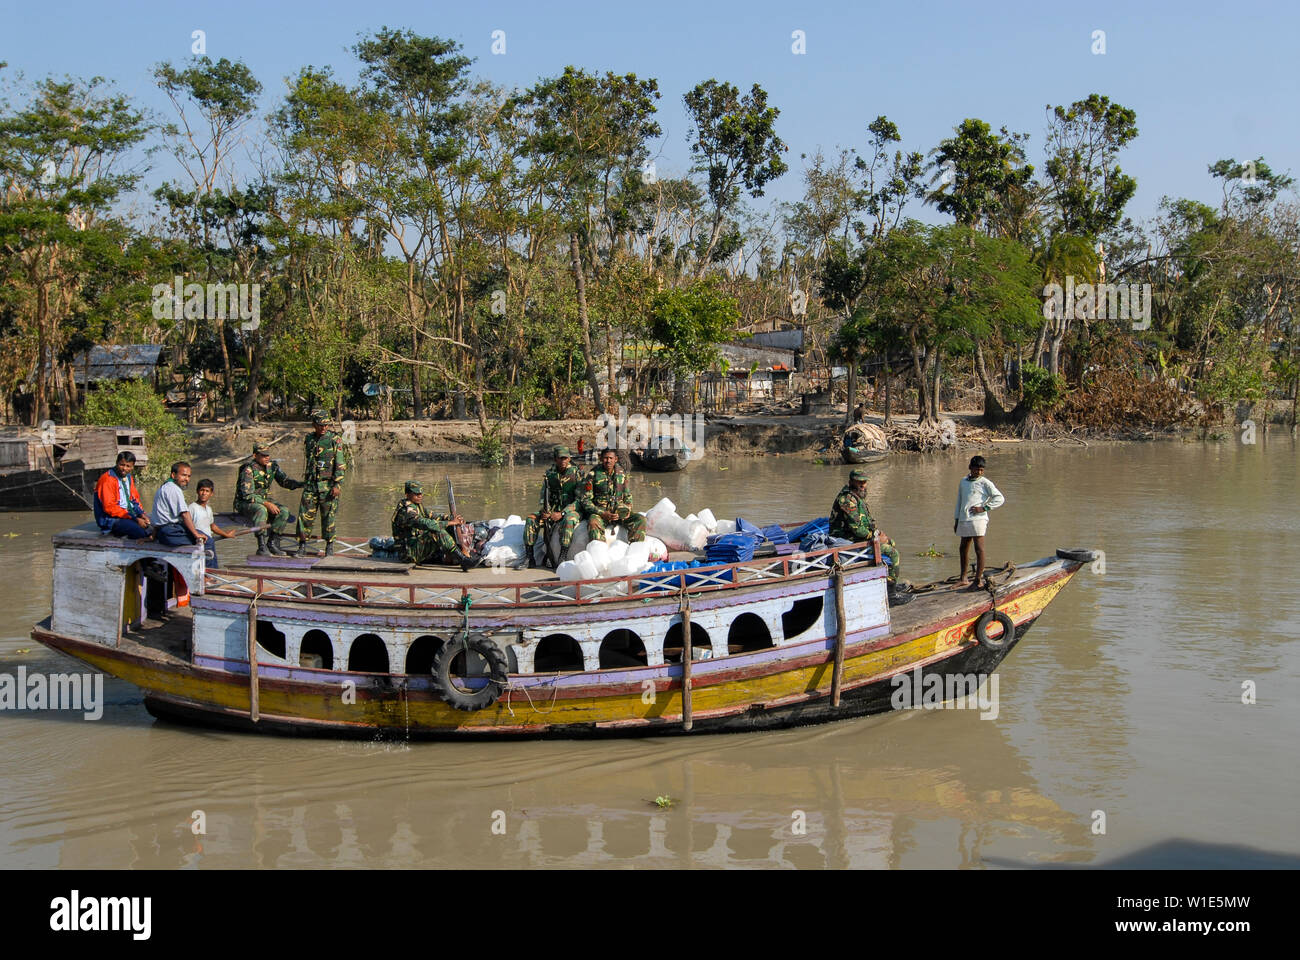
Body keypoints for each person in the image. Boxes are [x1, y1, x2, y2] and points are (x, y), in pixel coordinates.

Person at [829, 468, 909, 604]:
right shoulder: (847, 500)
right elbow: (858, 530)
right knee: (893, 553)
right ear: (851, 482)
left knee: (891, 542)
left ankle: (889, 582)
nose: (862, 485)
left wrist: (879, 533)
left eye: (864, 482)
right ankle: (891, 595)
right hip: (849, 543)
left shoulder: (857, 498)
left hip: (858, 539)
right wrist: (876, 537)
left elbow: (867, 523)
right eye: (859, 482)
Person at [391, 480, 482, 571]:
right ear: (407, 495)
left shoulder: (417, 505)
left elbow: (432, 516)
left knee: (448, 527)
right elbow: (425, 523)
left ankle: (457, 556)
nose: (420, 496)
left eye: (420, 493)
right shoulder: (406, 511)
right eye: (416, 494)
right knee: (436, 531)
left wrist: (450, 518)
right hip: (409, 553)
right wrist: (450, 522)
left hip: (416, 545)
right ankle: (463, 560)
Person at [517, 445, 584, 569]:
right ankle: (529, 557)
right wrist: (546, 511)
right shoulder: (549, 474)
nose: (563, 461)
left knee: (569, 521)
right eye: (560, 458)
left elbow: (580, 500)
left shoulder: (577, 473)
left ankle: (562, 555)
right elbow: (544, 495)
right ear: (555, 459)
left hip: (571, 510)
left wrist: (562, 513)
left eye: (565, 458)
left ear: (569, 459)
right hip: (552, 510)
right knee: (531, 519)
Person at [293, 410, 347, 557]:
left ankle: (329, 547)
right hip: (311, 485)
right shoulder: (309, 439)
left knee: (329, 517)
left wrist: (337, 484)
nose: (323, 428)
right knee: (304, 517)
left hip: (328, 486)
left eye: (326, 425)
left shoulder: (334, 439)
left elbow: (340, 464)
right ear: (314, 425)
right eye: (320, 425)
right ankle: (302, 546)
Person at [234, 442, 303, 556]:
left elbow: (285, 482)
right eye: (263, 455)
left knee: (284, 511)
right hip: (245, 502)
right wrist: (266, 503)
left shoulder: (272, 467)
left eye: (268, 455)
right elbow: (247, 495)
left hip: (262, 500)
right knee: (261, 509)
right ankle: (261, 546)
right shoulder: (248, 470)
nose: (267, 458)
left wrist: (302, 484)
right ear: (255, 456)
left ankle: (273, 543)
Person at [954, 455, 1005, 589]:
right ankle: (963, 578)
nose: (979, 472)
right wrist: (956, 519)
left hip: (979, 519)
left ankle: (978, 580)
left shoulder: (985, 482)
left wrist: (984, 508)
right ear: (970, 468)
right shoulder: (963, 481)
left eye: (981, 470)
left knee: (979, 549)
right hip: (964, 518)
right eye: (976, 469)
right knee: (963, 548)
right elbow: (960, 501)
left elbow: (999, 498)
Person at [579, 448, 645, 543]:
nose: (608, 460)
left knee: (640, 519)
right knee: (593, 522)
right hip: (601, 513)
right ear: (601, 459)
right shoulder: (593, 474)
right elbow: (586, 501)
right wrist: (603, 513)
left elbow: (628, 496)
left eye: (611, 458)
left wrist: (627, 510)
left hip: (619, 513)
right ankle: (599, 550)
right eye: (605, 458)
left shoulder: (622, 474)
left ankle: (635, 549)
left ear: (616, 459)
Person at [93, 451, 152, 539]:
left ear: (132, 467)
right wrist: (135, 519)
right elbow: (110, 507)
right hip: (111, 519)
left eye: (128, 466)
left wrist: (141, 514)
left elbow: (133, 499)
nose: (124, 468)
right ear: (117, 463)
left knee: (154, 525)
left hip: (127, 515)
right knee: (141, 532)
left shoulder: (128, 477)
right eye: (122, 465)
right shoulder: (107, 480)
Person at [151, 461, 206, 548]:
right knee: (208, 542)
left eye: (189, 476)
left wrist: (153, 535)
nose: (187, 479)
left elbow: (159, 517)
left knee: (202, 535)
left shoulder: (164, 487)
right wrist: (196, 534)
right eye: (183, 475)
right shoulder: (174, 489)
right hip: (170, 532)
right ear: (173, 475)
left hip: (165, 531)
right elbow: (184, 514)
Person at [189, 479, 236, 568]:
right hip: (198, 543)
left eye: (207, 491)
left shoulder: (209, 509)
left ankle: (212, 578)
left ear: (211, 494)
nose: (204, 493)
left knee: (212, 563)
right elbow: (188, 525)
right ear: (197, 491)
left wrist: (226, 534)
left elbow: (212, 526)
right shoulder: (192, 508)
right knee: (204, 567)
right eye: (202, 490)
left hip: (208, 542)